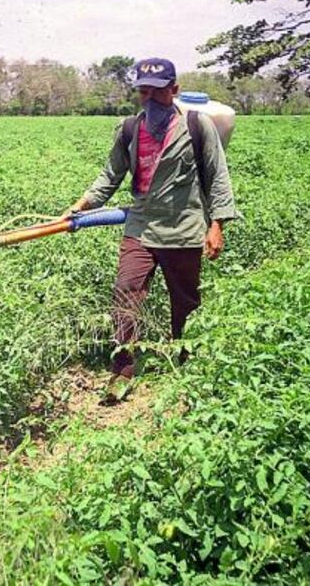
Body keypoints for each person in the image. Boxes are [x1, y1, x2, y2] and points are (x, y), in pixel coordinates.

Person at [64, 58, 237, 402]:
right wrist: (80, 206)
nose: (150, 99)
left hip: (183, 228)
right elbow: (110, 175)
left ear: (174, 90)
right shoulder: (129, 128)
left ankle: (188, 364)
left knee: (185, 302)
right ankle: (123, 371)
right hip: (140, 227)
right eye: (144, 92)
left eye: (158, 92)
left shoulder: (196, 126)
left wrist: (217, 224)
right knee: (125, 292)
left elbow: (217, 175)